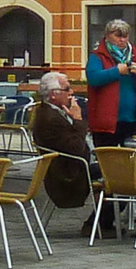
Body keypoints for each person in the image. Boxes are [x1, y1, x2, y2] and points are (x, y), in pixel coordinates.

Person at [85, 18, 136, 145]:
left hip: (134, 122)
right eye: (118, 36)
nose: (122, 40)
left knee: (132, 161)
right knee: (108, 160)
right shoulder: (98, 56)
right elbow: (93, 78)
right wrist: (116, 71)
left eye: (125, 36)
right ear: (107, 36)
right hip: (106, 125)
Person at [28, 72, 97, 208]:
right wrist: (77, 120)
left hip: (74, 164)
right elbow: (76, 148)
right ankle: (98, 223)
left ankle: (100, 222)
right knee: (120, 174)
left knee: (118, 169)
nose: (71, 93)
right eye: (67, 89)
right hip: (70, 173)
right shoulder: (50, 119)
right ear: (54, 94)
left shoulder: (52, 111)